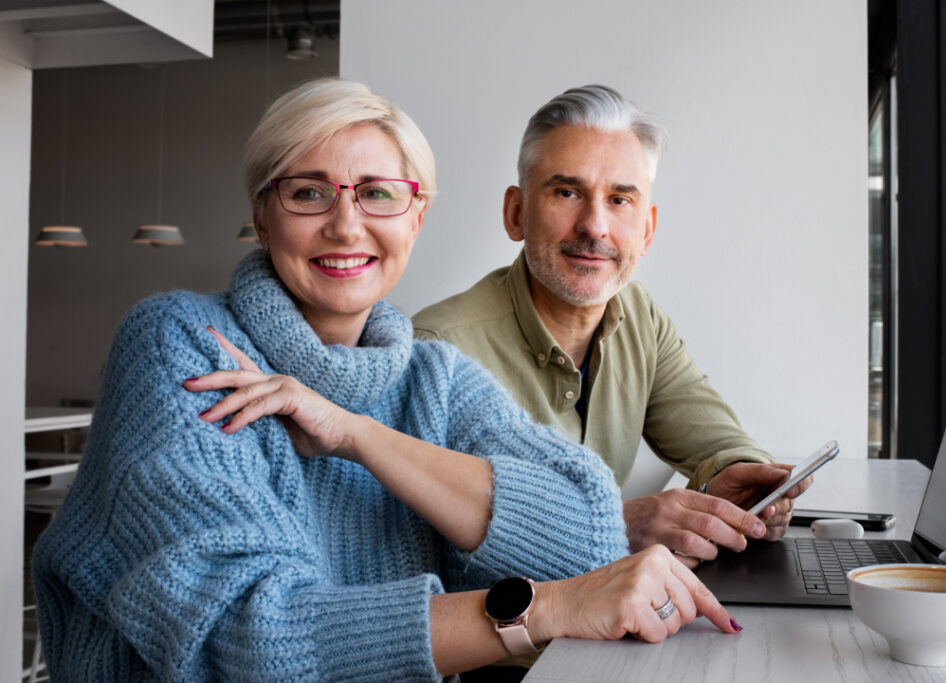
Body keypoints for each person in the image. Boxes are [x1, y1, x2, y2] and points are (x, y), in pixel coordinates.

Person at [31, 79, 742, 682]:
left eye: (377, 193)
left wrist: (361, 436)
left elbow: (586, 534)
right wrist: (543, 608)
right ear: (261, 213)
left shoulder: (431, 374)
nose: (346, 225)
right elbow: (247, 638)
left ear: (417, 216)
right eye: (309, 192)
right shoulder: (180, 343)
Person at [414, 85, 811, 567]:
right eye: (567, 192)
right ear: (516, 213)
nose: (595, 226)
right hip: (505, 638)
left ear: (646, 230)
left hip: (608, 629)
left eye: (621, 200)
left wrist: (743, 480)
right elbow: (421, 559)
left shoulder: (638, 315)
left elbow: (715, 438)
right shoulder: (434, 353)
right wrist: (617, 524)